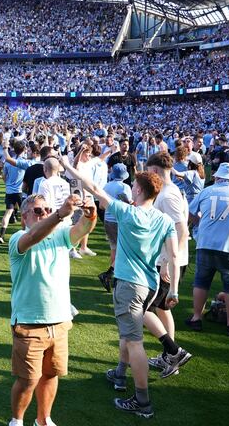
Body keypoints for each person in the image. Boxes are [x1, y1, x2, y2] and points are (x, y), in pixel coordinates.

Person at [58, 151, 182, 419]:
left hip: (130, 284)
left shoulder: (127, 213)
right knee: (128, 334)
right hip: (149, 285)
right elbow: (172, 256)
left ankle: (142, 401)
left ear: (137, 189)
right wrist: (173, 290)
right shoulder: (164, 220)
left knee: (135, 341)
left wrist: (69, 166)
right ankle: (119, 373)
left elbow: (93, 188)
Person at [7, 193, 97, 426]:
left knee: (51, 374)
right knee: (28, 380)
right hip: (29, 324)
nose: (43, 213)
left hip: (59, 321)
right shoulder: (18, 237)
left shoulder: (60, 236)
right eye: (38, 211)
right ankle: (17, 421)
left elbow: (81, 230)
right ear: (24, 217)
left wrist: (90, 213)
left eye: (46, 210)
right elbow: (34, 236)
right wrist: (58, 215)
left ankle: (43, 419)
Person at [186, 163, 229, 337]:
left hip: (206, 243)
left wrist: (201, 223)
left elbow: (188, 212)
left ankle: (196, 318)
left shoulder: (207, 191)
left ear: (217, 177)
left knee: (201, 282)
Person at [144, 152, 192, 377]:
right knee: (161, 309)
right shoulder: (170, 192)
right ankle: (169, 356)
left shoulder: (168, 195)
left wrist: (166, 262)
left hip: (169, 261)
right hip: (169, 259)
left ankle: (173, 353)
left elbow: (183, 231)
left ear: (154, 171)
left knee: (143, 308)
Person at [97, 163, 132, 293]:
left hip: (107, 220)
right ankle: (110, 275)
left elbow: (101, 206)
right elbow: (128, 205)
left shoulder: (106, 186)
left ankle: (113, 276)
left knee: (114, 248)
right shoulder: (125, 187)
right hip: (120, 220)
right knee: (123, 250)